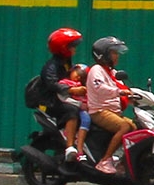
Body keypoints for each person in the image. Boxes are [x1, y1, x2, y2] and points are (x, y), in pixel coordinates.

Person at [27, 28, 85, 157]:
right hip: (49, 102)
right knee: (72, 111)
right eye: (72, 46)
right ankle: (70, 147)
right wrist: (72, 89)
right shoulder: (51, 66)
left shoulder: (66, 62)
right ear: (63, 48)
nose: (75, 48)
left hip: (62, 98)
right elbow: (52, 84)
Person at [81, 36, 134, 176]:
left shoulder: (112, 72)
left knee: (135, 128)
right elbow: (100, 87)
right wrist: (119, 91)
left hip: (114, 112)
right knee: (124, 126)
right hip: (100, 111)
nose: (116, 56)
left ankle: (120, 161)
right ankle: (105, 160)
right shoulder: (96, 70)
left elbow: (123, 87)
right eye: (113, 53)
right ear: (103, 54)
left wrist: (135, 95)